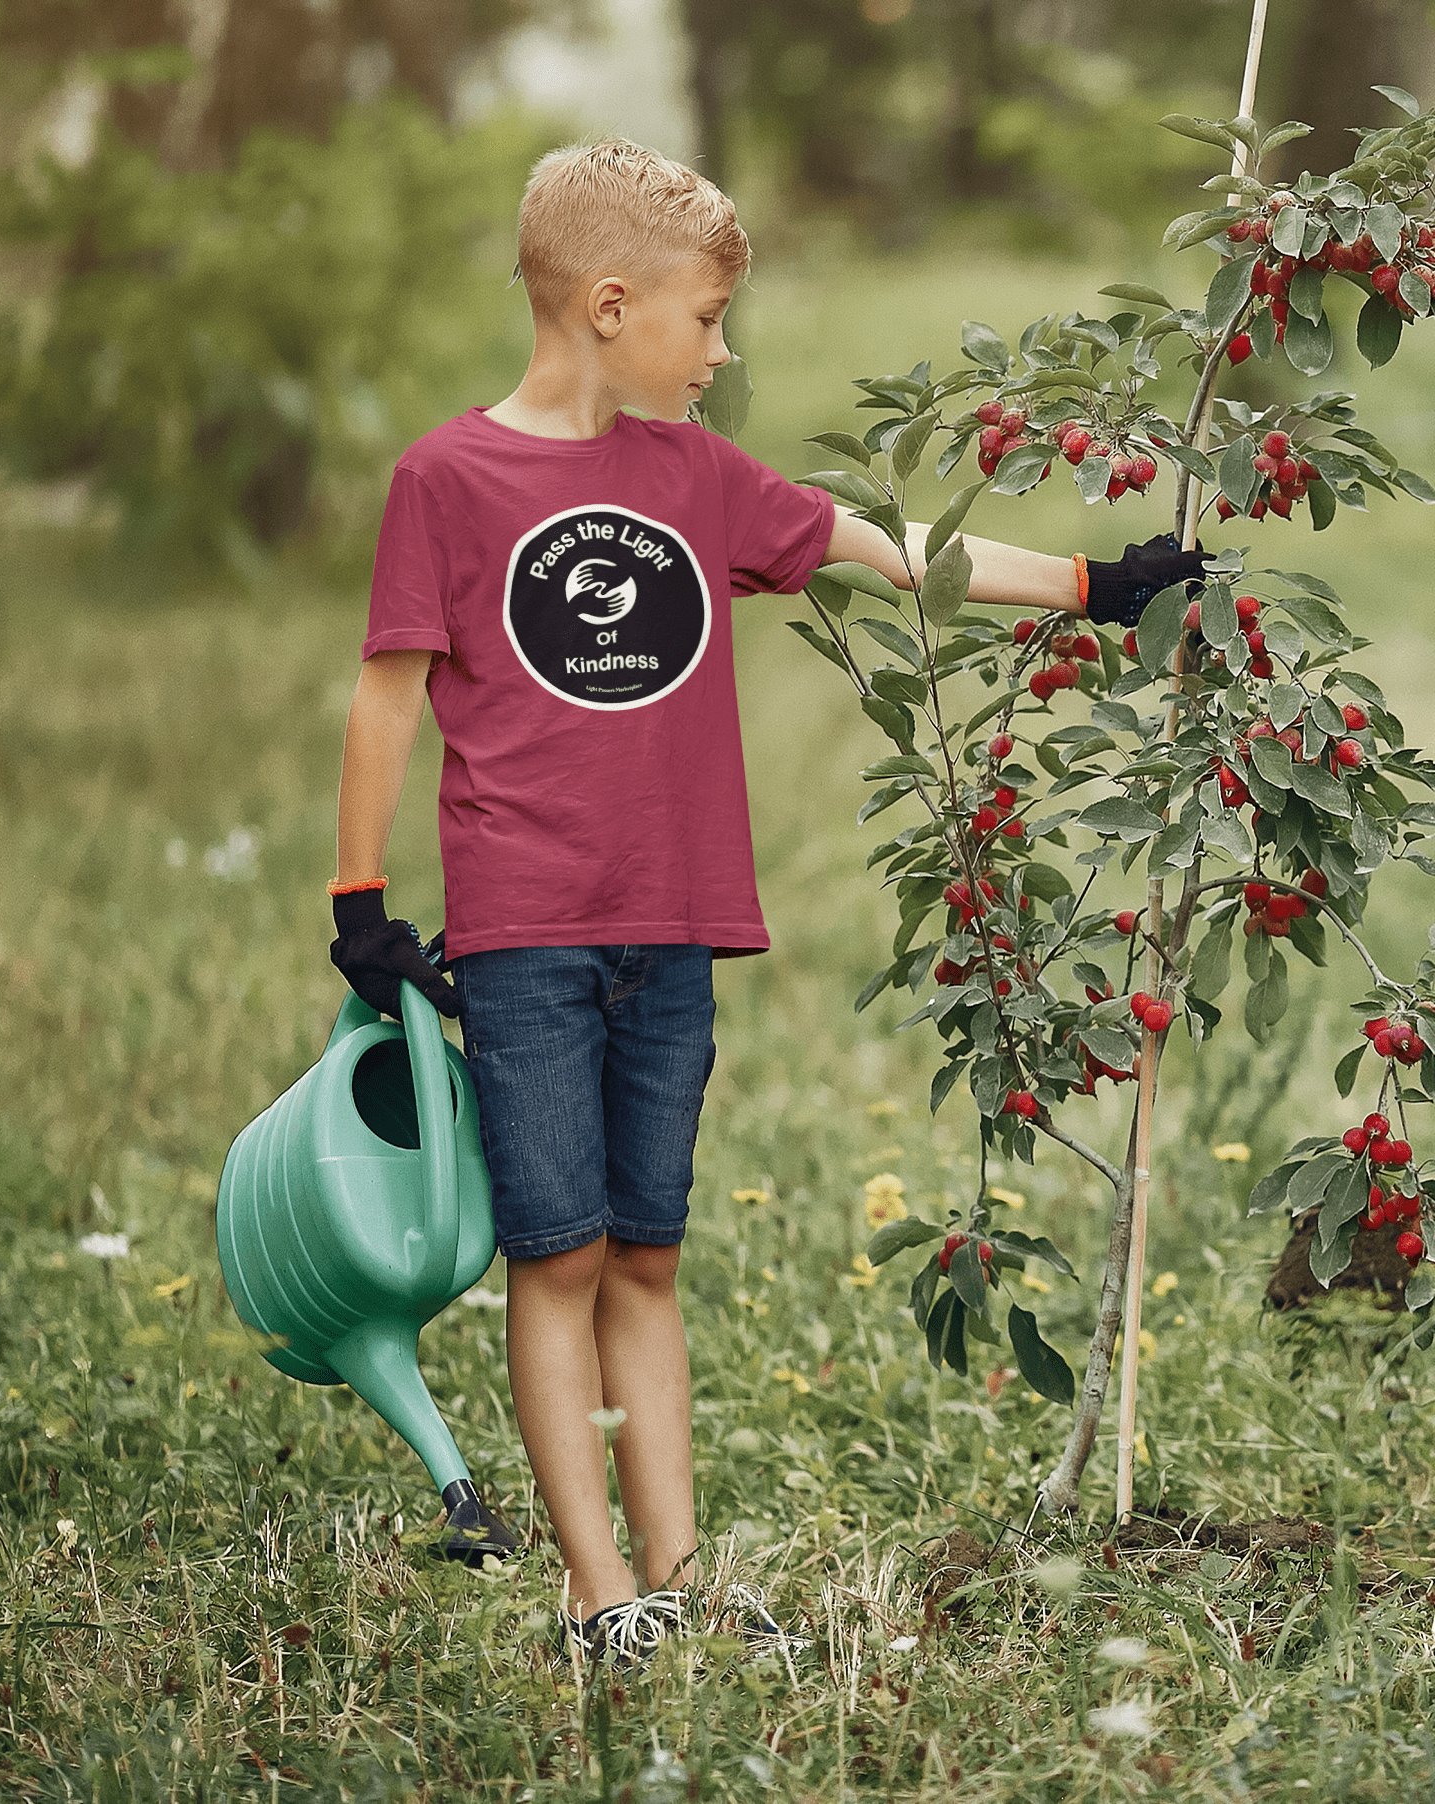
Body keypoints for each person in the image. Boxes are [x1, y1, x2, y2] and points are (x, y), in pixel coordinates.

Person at [327, 138, 1201, 1662]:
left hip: (672, 929)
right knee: (561, 1257)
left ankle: (672, 1575)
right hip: (524, 935)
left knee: (649, 1250)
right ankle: (596, 1595)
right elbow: (387, 694)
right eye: (708, 319)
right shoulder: (447, 480)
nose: (725, 353)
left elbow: (890, 554)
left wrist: (1092, 587)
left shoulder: (696, 476)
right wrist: (359, 899)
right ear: (609, 305)